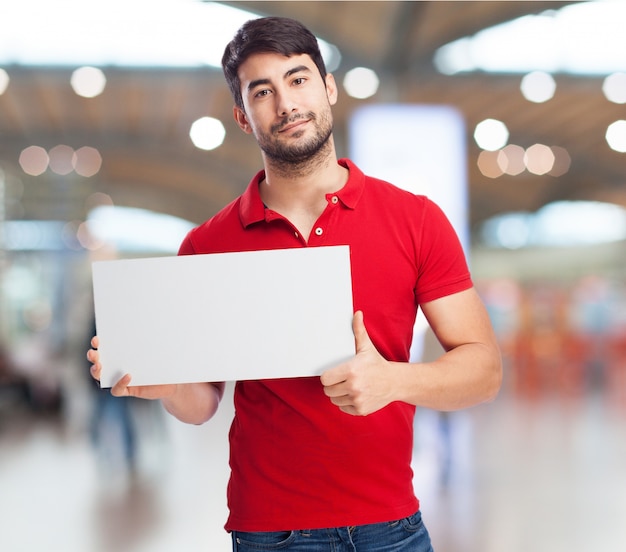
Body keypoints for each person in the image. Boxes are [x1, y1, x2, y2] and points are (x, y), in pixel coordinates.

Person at [88, 16, 502, 551]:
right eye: (263, 91)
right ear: (242, 116)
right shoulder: (207, 245)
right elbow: (203, 402)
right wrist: (168, 385)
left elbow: (484, 370)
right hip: (269, 533)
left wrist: (393, 381)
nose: (286, 104)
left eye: (299, 79)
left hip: (391, 528)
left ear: (328, 88)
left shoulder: (414, 220)